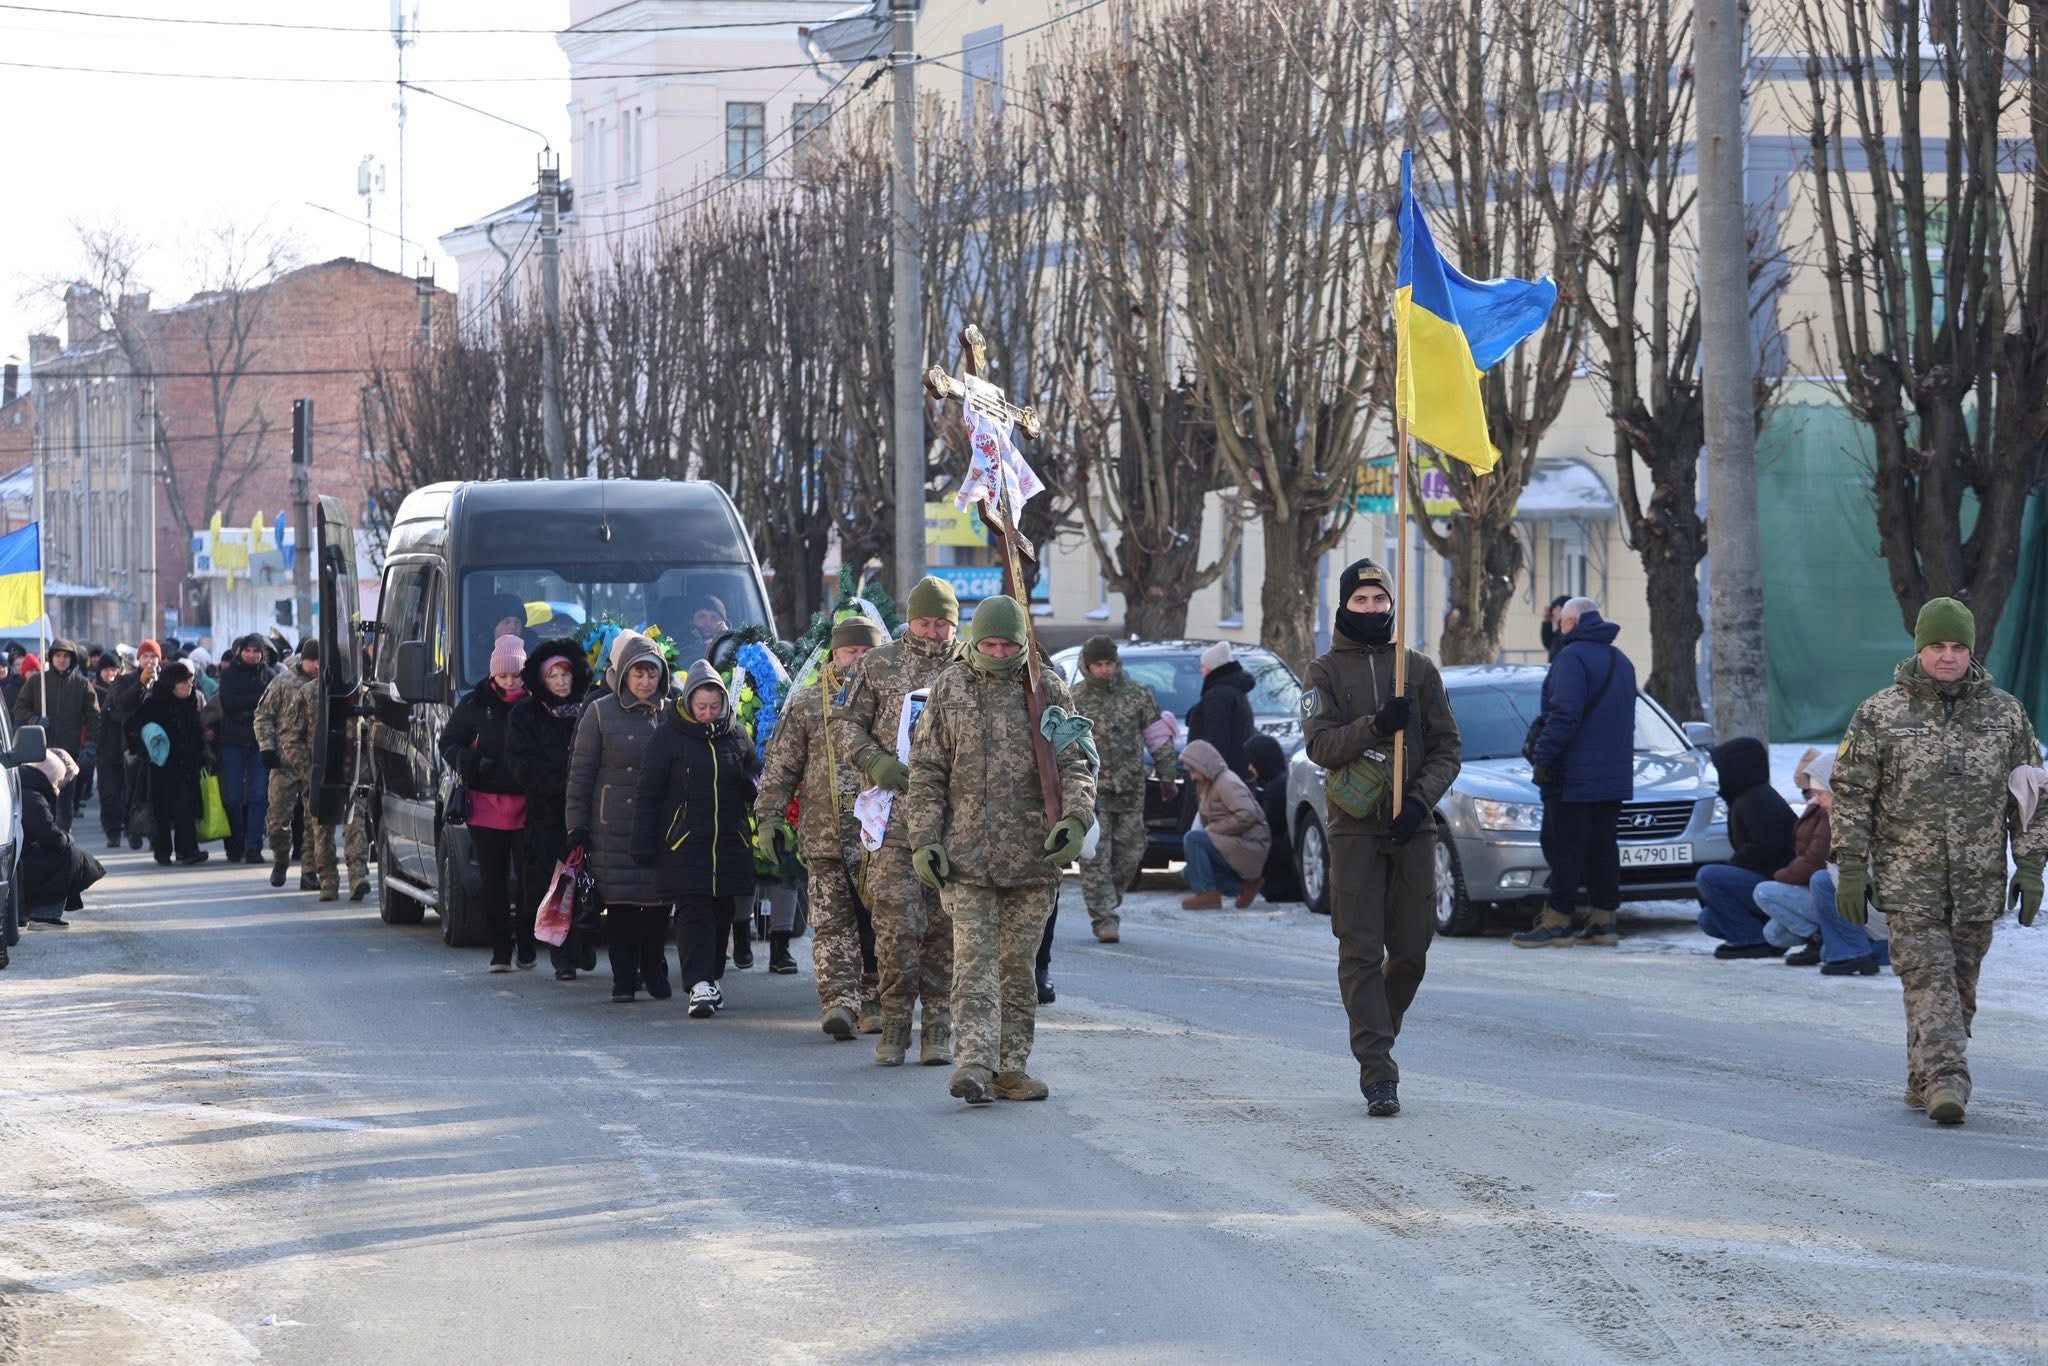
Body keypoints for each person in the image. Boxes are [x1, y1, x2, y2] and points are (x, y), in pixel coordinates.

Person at [1831, 597, 2046, 1126]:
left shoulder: (2005, 713)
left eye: (1957, 646)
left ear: (1971, 650)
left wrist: (2032, 865)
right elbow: (1851, 792)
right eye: (1936, 646)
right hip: (1909, 883)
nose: (1947, 657)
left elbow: (2032, 796)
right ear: (1919, 649)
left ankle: (1919, 1076)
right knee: (1930, 979)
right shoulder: (1880, 713)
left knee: (1960, 989)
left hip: (1978, 881)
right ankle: (1949, 1080)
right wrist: (1852, 866)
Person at [908, 595, 1096, 1106]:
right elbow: (926, 772)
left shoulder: (1045, 687)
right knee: (972, 963)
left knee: (1017, 968)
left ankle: (1011, 1068)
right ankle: (973, 1062)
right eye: (988, 642)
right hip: (965, 858)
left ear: (1021, 642)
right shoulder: (950, 687)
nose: (997, 651)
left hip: (1034, 858)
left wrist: (1077, 820)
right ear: (973, 640)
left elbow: (1078, 763)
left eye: (1007, 643)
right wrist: (924, 840)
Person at [1302, 558, 1462, 1119]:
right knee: (1361, 948)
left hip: (1411, 825)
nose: (1372, 608)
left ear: (1392, 605)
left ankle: (1378, 1028)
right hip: (1353, 830)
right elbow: (1319, 746)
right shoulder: (1322, 673)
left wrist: (1420, 799)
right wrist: (1375, 726)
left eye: (1380, 599)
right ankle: (1378, 1070)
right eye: (1362, 600)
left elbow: (1447, 747)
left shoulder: (1416, 669)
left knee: (1413, 950)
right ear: (1344, 605)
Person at [833, 576, 963, 1068]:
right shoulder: (877, 665)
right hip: (895, 822)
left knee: (945, 930)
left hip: (954, 824)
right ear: (909, 620)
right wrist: (875, 762)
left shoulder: (969, 667)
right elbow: (845, 724)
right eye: (924, 622)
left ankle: (938, 1028)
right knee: (895, 927)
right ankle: (893, 1025)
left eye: (942, 624)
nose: (932, 632)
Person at [754, 615, 886, 1039]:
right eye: (852, 652)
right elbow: (781, 765)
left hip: (882, 837)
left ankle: (874, 999)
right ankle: (839, 1004)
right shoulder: (809, 703)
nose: (859, 661)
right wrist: (770, 817)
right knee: (831, 923)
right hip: (825, 833)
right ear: (834, 654)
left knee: (881, 922)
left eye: (868, 653)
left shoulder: (895, 703)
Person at [635, 661, 760, 1017]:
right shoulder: (668, 736)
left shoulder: (736, 734)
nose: (707, 714)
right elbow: (649, 791)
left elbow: (753, 771)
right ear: (689, 702)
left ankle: (711, 977)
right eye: (701, 707)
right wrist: (643, 842)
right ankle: (699, 984)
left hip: (729, 842)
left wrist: (755, 786)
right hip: (684, 843)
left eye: (714, 707)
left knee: (722, 913)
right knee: (694, 912)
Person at [1514, 596, 1638, 948]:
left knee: (1564, 846)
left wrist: (1543, 757)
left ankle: (1557, 920)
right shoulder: (1621, 661)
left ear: (1570, 623)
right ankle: (1604, 921)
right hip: (1613, 777)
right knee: (1603, 848)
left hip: (1573, 775)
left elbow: (1563, 716)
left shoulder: (1570, 659)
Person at [566, 634, 674, 1003]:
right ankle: (623, 978)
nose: (645, 682)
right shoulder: (600, 712)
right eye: (638, 674)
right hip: (612, 825)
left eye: (652, 674)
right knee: (622, 907)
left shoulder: (672, 713)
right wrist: (576, 827)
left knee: (659, 906)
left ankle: (655, 969)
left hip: (660, 825)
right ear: (624, 675)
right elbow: (581, 774)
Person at [1071, 635, 1179, 944]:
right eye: (1098, 665)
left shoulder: (1138, 695)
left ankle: (1109, 900)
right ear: (1087, 666)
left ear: (1117, 665)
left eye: (1109, 664)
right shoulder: (1074, 698)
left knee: (1129, 854)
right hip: (1092, 793)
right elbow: (1060, 743)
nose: (1104, 670)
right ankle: (1104, 917)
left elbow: (1158, 737)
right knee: (1095, 857)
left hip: (1131, 790)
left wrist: (1167, 773)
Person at [1749, 749, 1890, 975]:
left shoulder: (1860, 816)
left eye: (1820, 793)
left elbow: (1823, 864)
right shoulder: (1836, 812)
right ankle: (1839, 943)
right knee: (1775, 932)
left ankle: (1853, 951)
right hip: (1857, 901)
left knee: (1816, 881)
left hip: (1876, 909)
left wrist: (1782, 877)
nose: (1816, 799)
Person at [442, 635, 533, 972]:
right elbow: (448, 742)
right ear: (492, 675)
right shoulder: (474, 704)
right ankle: (500, 950)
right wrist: (470, 761)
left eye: (516, 676)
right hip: (485, 806)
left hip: (528, 806)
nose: (510, 683)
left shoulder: (536, 703)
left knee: (528, 880)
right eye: (504, 676)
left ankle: (526, 943)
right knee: (492, 881)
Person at [506, 637, 595, 981]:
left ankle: (585, 941)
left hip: (589, 810)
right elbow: (521, 764)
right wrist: (558, 785)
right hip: (548, 815)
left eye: (565, 675)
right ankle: (564, 956)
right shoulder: (526, 714)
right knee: (558, 883)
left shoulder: (590, 707)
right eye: (553, 676)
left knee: (592, 882)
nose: (560, 681)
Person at [1693, 736, 1798, 959]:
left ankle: (1752, 939)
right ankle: (1762, 938)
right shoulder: (1744, 797)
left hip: (1776, 884)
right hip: (1764, 880)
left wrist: (1733, 866)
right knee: (1709, 919)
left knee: (1709, 876)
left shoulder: (1759, 799)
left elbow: (1766, 848)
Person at [255, 643, 346, 898]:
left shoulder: (325, 687)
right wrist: (267, 748)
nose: (316, 666)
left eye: (320, 661)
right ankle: (281, 858)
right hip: (283, 763)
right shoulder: (283, 682)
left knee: (312, 821)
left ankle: (309, 871)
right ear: (302, 660)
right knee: (277, 821)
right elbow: (263, 715)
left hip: (312, 765)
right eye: (312, 661)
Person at [126, 660, 210, 866]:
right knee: (161, 810)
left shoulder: (191, 702)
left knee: (186, 808)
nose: (189, 686)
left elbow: (196, 732)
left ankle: (187, 851)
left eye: (190, 682)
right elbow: (131, 727)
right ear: (172, 684)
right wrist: (146, 748)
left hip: (187, 766)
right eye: (183, 682)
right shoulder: (155, 703)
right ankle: (162, 851)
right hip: (161, 767)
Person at [14, 638, 100, 832]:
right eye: (58, 655)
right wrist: (34, 719)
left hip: (69, 752)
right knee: (41, 800)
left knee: (65, 802)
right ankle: (43, 838)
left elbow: (95, 717)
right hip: (39, 754)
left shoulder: (82, 685)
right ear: (51, 657)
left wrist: (91, 744)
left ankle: (63, 839)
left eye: (66, 656)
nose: (61, 659)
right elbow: (20, 709)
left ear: (72, 659)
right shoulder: (37, 682)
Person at [1177, 739, 1272, 909]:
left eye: (1192, 769)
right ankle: (1244, 887)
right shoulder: (1208, 784)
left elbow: (1247, 814)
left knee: (1193, 839)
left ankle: (1208, 894)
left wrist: (1213, 830)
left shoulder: (1226, 782)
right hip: (1236, 842)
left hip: (1250, 844)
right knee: (1190, 872)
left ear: (1202, 764)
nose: (1191, 775)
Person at [213, 634, 279, 866]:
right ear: (240, 651)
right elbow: (229, 703)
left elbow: (272, 707)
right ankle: (236, 842)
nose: (251, 655)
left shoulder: (269, 676)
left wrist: (248, 705)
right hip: (232, 742)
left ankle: (253, 846)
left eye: (256, 651)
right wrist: (255, 703)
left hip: (260, 743)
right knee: (232, 796)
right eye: (247, 651)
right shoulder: (229, 674)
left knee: (258, 795)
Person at [21, 751, 104, 927]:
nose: (58, 788)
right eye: (58, 782)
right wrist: (68, 840)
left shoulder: (28, 790)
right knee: (71, 856)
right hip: (25, 863)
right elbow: (52, 838)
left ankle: (40, 913)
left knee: (72, 851)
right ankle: (45, 915)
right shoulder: (33, 797)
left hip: (24, 860)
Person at [109, 641, 162, 850]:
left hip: (158, 743)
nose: (150, 661)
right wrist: (141, 684)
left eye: (153, 656)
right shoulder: (126, 680)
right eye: (146, 656)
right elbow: (122, 704)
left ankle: (154, 833)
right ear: (139, 659)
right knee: (133, 790)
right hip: (133, 742)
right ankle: (133, 830)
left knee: (156, 789)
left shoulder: (164, 681)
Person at [1184, 640, 1255, 795]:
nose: (1201, 670)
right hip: (1231, 775)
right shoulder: (1232, 692)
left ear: (1212, 668)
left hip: (1215, 781)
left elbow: (1216, 740)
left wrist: (1207, 775)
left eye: (1203, 666)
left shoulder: (1218, 696)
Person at [1243, 734, 1301, 903]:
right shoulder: (1282, 781)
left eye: (1252, 762)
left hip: (1284, 872)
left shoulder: (1275, 789)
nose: (1250, 767)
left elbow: (1267, 829)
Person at [89, 655, 124, 849]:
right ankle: (113, 832)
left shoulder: (125, 688)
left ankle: (131, 827)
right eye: (106, 670)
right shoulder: (93, 691)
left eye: (114, 669)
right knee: (108, 794)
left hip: (126, 748)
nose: (110, 673)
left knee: (127, 793)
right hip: (104, 751)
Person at [1540, 594, 1571, 662]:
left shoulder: (1569, 631)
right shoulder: (1560, 631)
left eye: (1555, 609)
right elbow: (1549, 643)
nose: (1553, 613)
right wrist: (1547, 621)